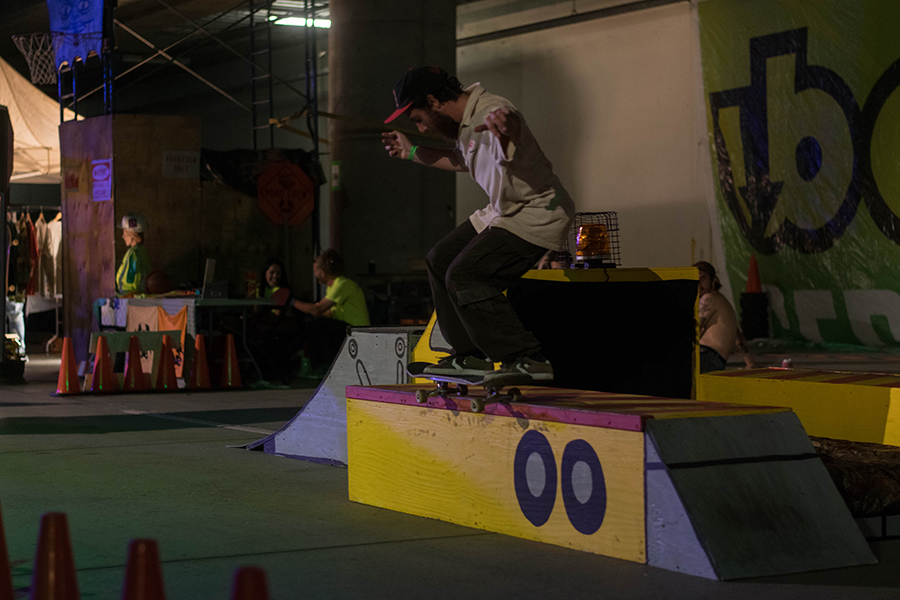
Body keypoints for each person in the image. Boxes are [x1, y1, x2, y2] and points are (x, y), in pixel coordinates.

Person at [382, 66, 574, 381]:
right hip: (502, 211)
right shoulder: (464, 125)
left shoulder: (490, 111)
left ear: (432, 102)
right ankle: (469, 356)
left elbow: (508, 117)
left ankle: (526, 357)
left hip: (537, 211)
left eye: (418, 119)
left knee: (467, 275)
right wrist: (412, 151)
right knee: (440, 260)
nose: (423, 128)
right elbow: (461, 159)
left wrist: (505, 125)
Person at [694, 261, 757, 373]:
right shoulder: (722, 301)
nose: (698, 283)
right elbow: (739, 338)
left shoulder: (708, 298)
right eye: (695, 279)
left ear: (713, 281)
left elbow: (695, 329)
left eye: (703, 278)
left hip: (707, 356)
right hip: (717, 360)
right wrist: (750, 362)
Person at [292, 249, 370, 327]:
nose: (314, 274)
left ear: (322, 273)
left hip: (356, 330)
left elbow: (318, 309)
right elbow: (329, 314)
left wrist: (292, 301)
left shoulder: (342, 284)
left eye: (315, 271)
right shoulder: (332, 286)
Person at [116, 213, 151, 295]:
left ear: (132, 235)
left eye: (125, 233)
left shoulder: (133, 253)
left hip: (129, 295)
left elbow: (131, 278)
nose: (123, 237)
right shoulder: (141, 251)